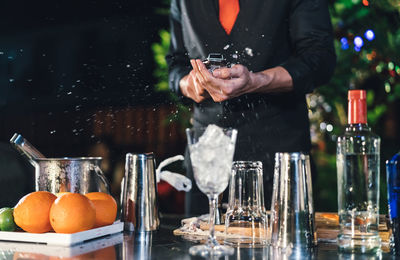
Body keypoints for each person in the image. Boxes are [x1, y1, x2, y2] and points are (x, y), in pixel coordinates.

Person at [166, 0, 336, 215]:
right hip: (208, 156)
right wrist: (188, 84)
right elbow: (176, 64)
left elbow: (319, 60)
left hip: (278, 155)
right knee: (204, 243)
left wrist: (257, 81)